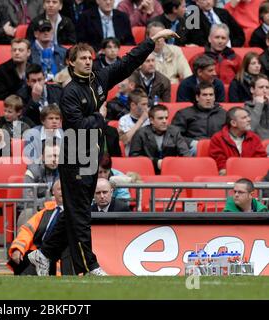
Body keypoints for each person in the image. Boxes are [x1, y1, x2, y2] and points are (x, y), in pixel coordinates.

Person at [27, 28, 179, 277]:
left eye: (90, 58)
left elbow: (127, 63)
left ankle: (43, 254)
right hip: (74, 156)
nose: (88, 61)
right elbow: (76, 125)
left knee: (77, 212)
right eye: (82, 58)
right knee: (80, 217)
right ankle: (89, 267)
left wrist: (152, 41)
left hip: (90, 156)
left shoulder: (98, 80)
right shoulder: (70, 93)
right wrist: (100, 117)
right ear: (71, 63)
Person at [8, 179, 74, 275]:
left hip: (61, 256)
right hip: (37, 252)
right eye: (60, 189)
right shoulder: (44, 212)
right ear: (53, 192)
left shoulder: (75, 213)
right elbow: (27, 231)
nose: (63, 191)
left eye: (66, 189)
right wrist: (17, 248)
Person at [129, 104, 190, 174]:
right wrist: (155, 162)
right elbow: (134, 156)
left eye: (166, 118)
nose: (164, 121)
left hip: (170, 170)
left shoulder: (174, 132)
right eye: (160, 118)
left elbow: (186, 154)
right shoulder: (141, 133)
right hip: (146, 170)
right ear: (151, 120)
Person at [171, 82, 226, 156]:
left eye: (211, 95)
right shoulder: (184, 113)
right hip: (194, 147)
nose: (208, 98)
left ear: (214, 97)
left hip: (218, 147)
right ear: (197, 97)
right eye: (204, 95)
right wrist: (192, 142)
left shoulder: (224, 114)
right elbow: (174, 135)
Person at [209, 107, 267, 175]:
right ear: (233, 123)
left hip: (252, 176)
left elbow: (260, 160)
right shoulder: (218, 138)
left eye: (248, 116)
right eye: (244, 118)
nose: (249, 119)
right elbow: (221, 166)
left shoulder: (254, 137)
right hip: (228, 178)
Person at [118, 88, 150, 155]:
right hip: (131, 157)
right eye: (143, 104)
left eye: (147, 104)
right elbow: (125, 141)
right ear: (133, 105)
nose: (146, 108)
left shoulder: (150, 119)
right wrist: (141, 120)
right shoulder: (124, 120)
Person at [244, 74, 269, 140]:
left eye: (267, 87)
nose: (265, 91)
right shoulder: (246, 109)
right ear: (252, 90)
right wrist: (259, 105)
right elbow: (250, 129)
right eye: (261, 87)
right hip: (258, 145)